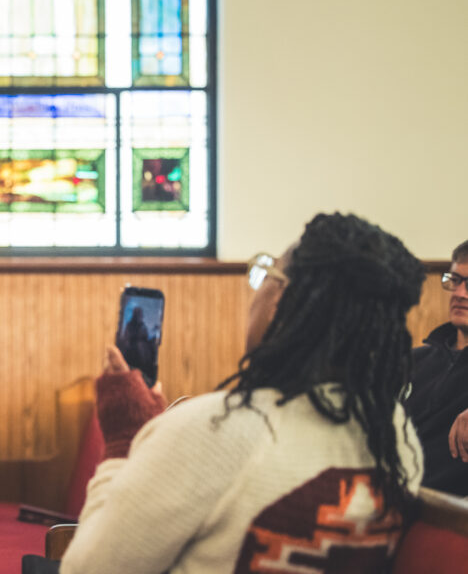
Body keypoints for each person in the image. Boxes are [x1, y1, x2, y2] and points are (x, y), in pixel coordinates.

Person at [59, 213, 426, 573]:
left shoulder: (214, 430)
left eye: (266, 273)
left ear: (281, 300)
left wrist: (124, 443)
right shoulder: (395, 435)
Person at [406, 240, 468, 495]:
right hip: (385, 502)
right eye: (455, 280)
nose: (460, 293)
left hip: (451, 520)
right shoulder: (412, 360)